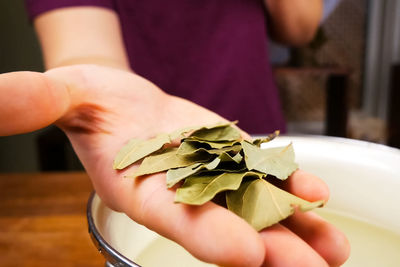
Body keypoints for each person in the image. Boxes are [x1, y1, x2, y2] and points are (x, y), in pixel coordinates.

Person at [0, 1, 350, 266]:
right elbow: (82, 42)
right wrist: (98, 90)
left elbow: (299, 29)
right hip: (140, 145)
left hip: (252, 134)